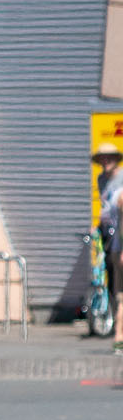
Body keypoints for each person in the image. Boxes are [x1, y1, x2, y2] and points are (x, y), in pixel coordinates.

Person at [92, 142, 123, 339]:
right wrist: (97, 226)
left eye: (110, 157)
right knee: (111, 279)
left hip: (120, 236)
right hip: (109, 236)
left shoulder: (122, 178)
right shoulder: (101, 179)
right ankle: (116, 328)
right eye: (103, 158)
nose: (106, 161)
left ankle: (119, 334)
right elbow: (105, 208)